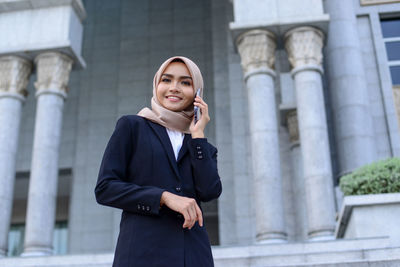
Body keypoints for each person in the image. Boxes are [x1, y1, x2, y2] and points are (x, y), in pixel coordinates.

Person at [95, 56, 222, 267]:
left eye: (186, 82)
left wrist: (198, 135)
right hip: (142, 254)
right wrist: (163, 197)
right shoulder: (132, 126)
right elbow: (105, 188)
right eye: (167, 80)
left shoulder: (202, 147)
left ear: (198, 93)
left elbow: (210, 191)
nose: (174, 88)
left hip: (192, 256)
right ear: (156, 84)